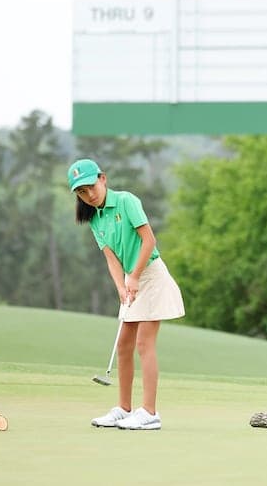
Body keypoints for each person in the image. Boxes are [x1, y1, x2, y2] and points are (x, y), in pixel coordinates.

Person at [68, 158, 185, 431]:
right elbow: (111, 259)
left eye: (90, 187)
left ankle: (150, 412)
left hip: (151, 275)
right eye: (81, 193)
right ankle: (124, 408)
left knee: (144, 344)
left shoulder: (126, 201)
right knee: (124, 345)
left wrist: (133, 276)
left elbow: (149, 241)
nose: (89, 195)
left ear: (103, 178)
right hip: (130, 281)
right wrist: (121, 286)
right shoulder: (95, 219)